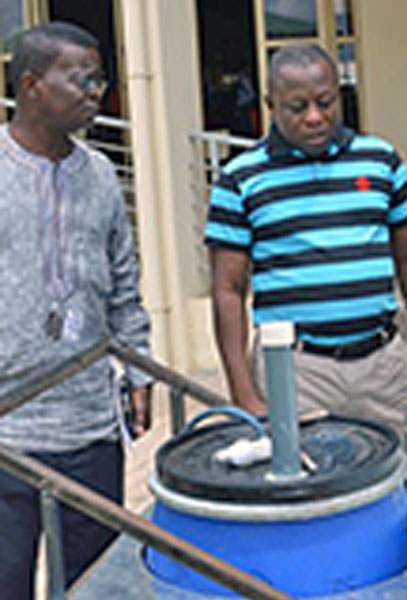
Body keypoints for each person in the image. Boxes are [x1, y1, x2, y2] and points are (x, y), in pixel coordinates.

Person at [204, 44, 407, 432]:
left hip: (381, 365)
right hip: (296, 370)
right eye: (297, 107)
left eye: (326, 102)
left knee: (393, 483)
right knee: (304, 489)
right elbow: (227, 290)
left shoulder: (380, 160)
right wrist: (243, 392)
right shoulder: (240, 179)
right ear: (271, 104)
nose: (315, 117)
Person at [0, 22, 153, 598]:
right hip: (8, 430)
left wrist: (139, 367)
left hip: (91, 427)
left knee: (93, 585)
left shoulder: (103, 174)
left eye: (99, 78)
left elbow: (123, 285)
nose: (96, 91)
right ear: (33, 85)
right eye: (81, 79)